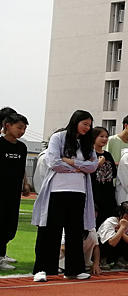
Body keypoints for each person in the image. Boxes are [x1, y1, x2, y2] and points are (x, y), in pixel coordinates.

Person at [32, 110, 98, 282]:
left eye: (89, 125)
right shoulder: (59, 138)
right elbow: (53, 162)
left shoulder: (87, 143)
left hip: (79, 191)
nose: (87, 128)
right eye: (85, 123)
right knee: (49, 230)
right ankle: (42, 269)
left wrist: (73, 162)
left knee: (75, 231)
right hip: (57, 190)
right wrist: (79, 168)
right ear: (75, 121)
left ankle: (74, 270)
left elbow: (93, 166)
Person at [0, 109, 30, 271]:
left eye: (24, 128)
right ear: (7, 126)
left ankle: (2, 254)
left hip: (13, 192)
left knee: (9, 225)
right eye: (19, 127)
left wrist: (25, 183)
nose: (22, 131)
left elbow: (22, 167)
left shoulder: (22, 147)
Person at [89, 126, 118, 226]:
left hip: (108, 196)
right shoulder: (89, 154)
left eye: (106, 137)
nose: (104, 139)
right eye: (101, 136)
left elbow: (114, 173)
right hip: (94, 195)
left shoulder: (108, 155)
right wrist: (97, 164)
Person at [97, 201, 128, 268]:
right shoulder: (110, 221)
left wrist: (121, 231)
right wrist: (122, 228)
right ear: (121, 213)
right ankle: (102, 260)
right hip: (103, 246)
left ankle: (120, 260)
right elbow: (112, 242)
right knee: (114, 238)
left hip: (117, 248)